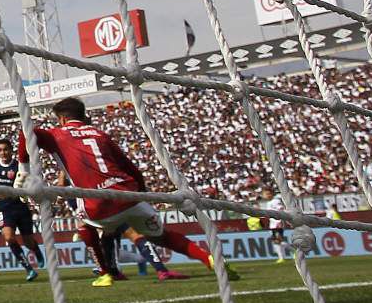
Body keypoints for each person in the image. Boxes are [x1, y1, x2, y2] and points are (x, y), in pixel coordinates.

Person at [17, 96, 238, 288]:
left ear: (62, 119)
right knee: (163, 236)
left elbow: (26, 133)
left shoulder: (57, 134)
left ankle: (105, 274)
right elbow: (130, 167)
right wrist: (141, 194)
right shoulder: (99, 134)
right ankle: (210, 260)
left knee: (83, 225)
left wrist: (23, 171)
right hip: (128, 194)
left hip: (99, 203)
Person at [0, 138, 43, 282]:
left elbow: (28, 182)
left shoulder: (19, 166)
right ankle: (28, 269)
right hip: (4, 208)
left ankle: (36, 250)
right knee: (9, 237)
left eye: (5, 149)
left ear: (11, 150)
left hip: (21, 206)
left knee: (28, 241)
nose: (3, 153)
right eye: (0, 150)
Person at [261, 188, 286, 264]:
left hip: (277, 223)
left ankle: (282, 257)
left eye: (268, 193)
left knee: (277, 240)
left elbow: (281, 209)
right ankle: (283, 256)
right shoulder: (269, 203)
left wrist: (280, 220)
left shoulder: (276, 201)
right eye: (265, 194)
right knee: (276, 241)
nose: (266, 195)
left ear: (272, 194)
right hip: (272, 224)